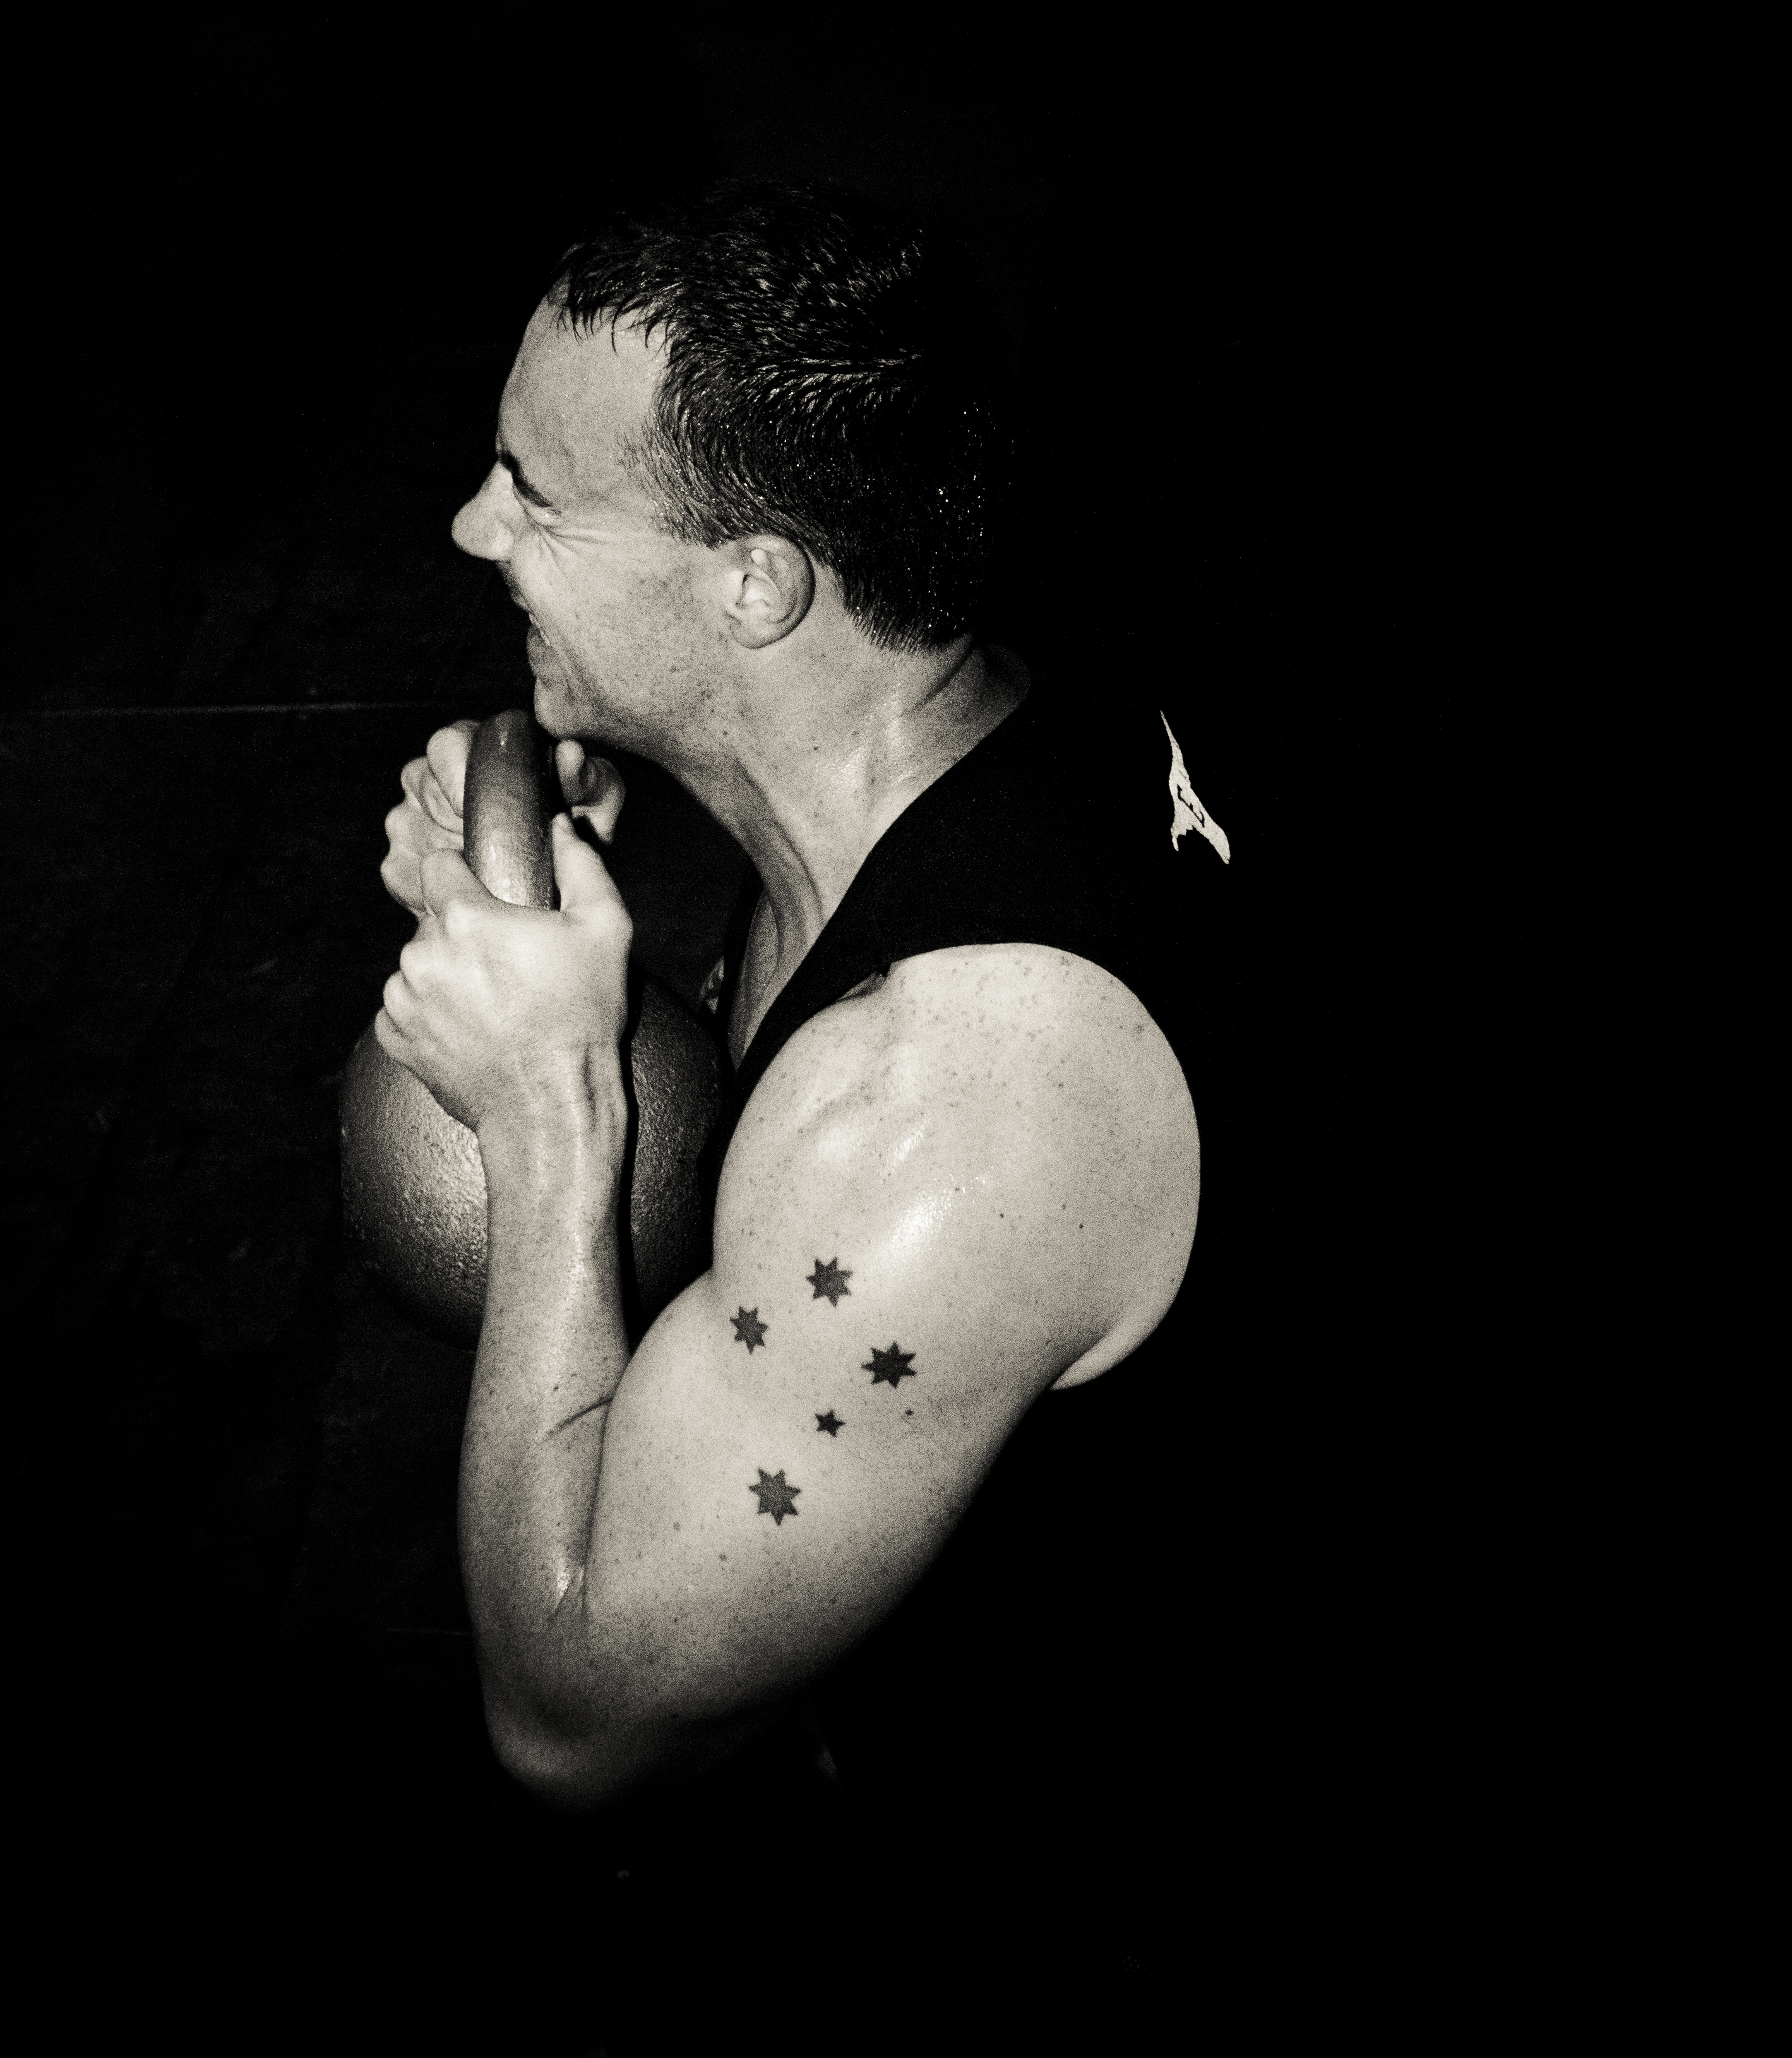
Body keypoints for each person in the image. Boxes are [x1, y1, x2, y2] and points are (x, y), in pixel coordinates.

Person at [376, 181, 1241, 2048]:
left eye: (534, 493)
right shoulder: (964, 688)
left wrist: (551, 1102)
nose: (472, 527)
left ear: (757, 586)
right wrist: (581, 855)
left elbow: (570, 1722)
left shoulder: (947, 1107)